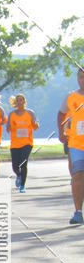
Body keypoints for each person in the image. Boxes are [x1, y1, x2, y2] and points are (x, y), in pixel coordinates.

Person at [57, 68, 84, 225]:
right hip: (76, 144)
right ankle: (78, 212)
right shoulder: (71, 97)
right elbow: (61, 113)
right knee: (78, 174)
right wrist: (61, 132)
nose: (83, 80)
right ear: (77, 79)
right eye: (81, 77)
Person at [7, 93, 38, 193]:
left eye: (21, 100)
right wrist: (10, 127)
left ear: (24, 102)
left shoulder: (30, 113)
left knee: (24, 164)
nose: (19, 102)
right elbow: (7, 128)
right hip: (15, 144)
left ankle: (22, 185)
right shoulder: (11, 114)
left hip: (27, 143)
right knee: (15, 166)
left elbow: (36, 127)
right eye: (18, 100)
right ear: (16, 102)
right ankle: (19, 175)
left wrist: (34, 123)